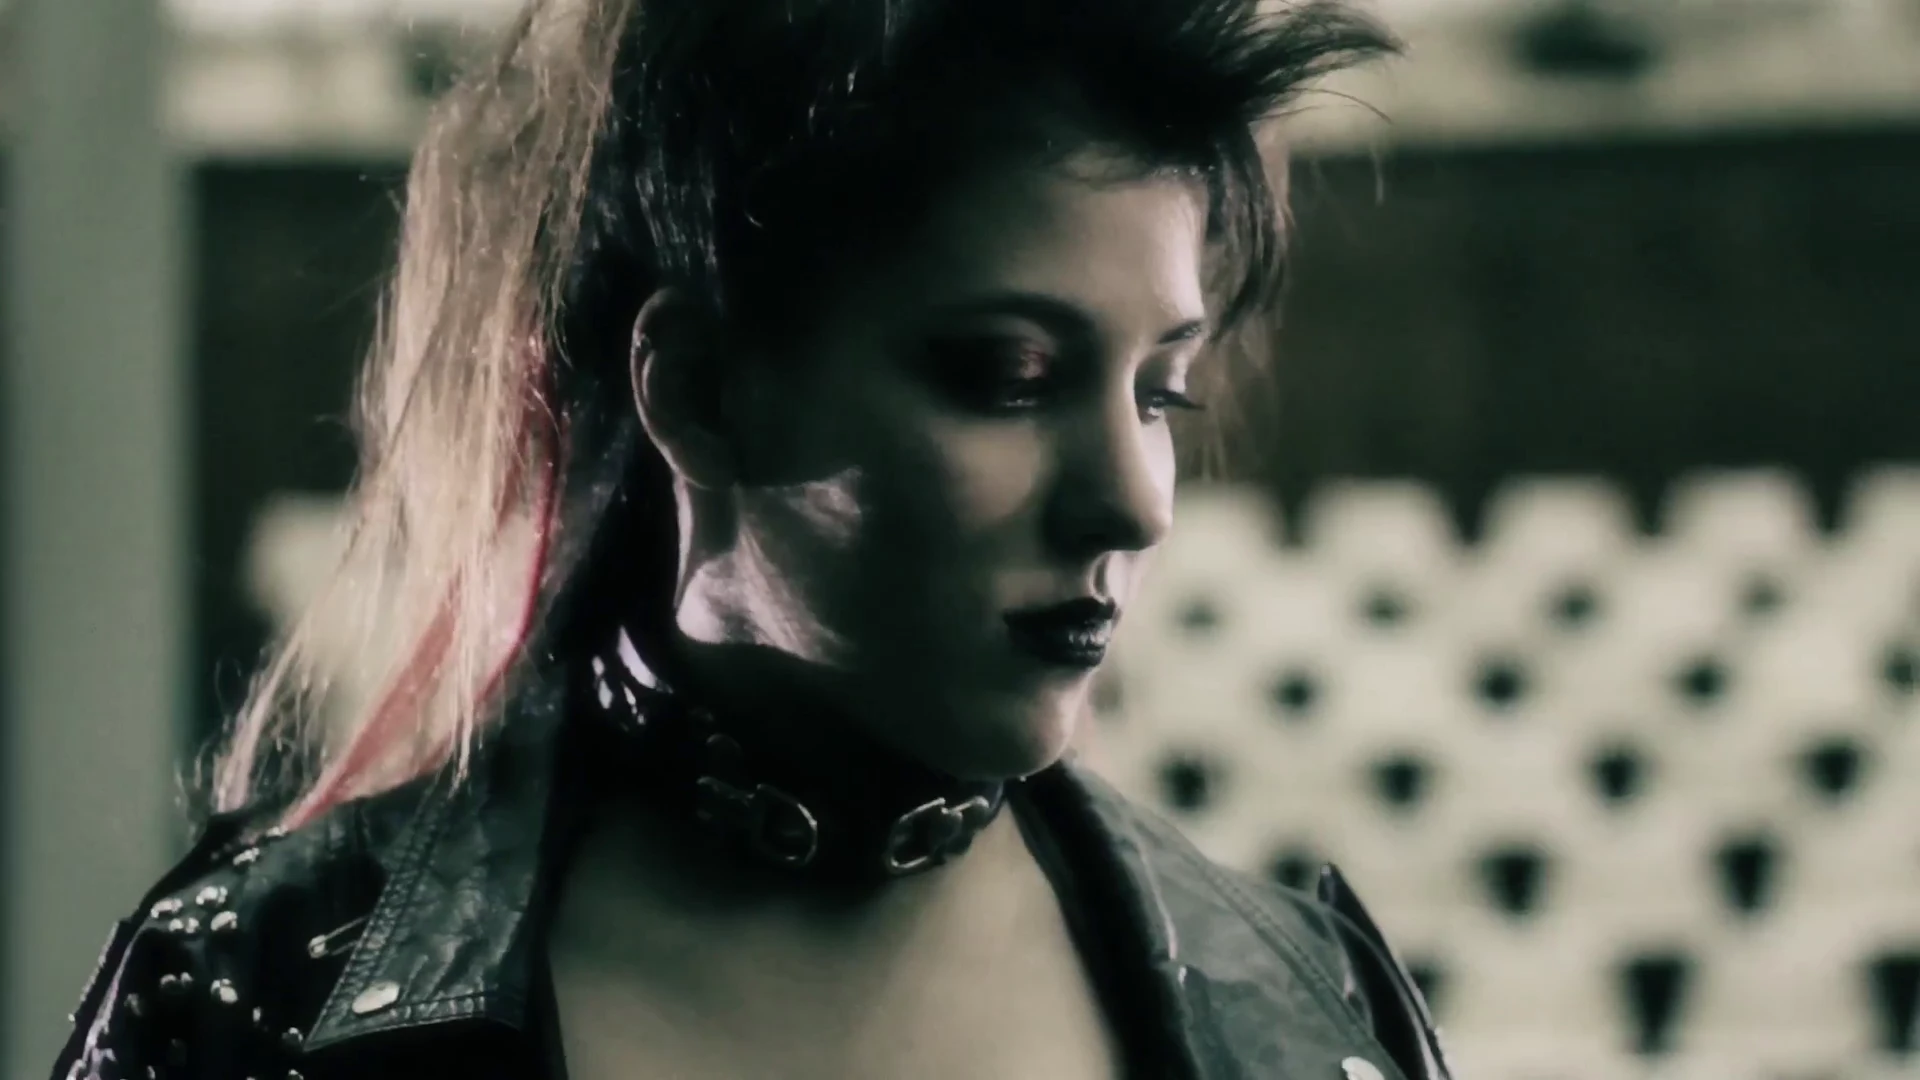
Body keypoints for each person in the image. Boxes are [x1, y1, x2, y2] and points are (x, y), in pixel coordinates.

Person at [55, 1, 1452, 1077]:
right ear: (705, 391)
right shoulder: (257, 998)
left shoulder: (1306, 1012)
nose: (1136, 503)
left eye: (1161, 392)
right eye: (1009, 376)